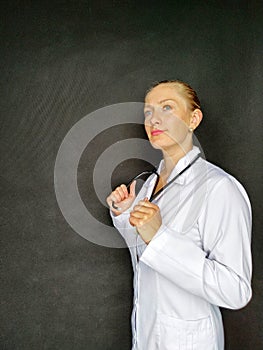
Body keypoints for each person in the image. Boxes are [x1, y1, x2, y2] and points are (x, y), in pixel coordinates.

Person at [106, 80, 252, 350]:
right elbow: (145, 256)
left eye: (167, 108)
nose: (154, 119)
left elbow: (236, 290)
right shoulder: (149, 185)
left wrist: (160, 238)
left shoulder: (219, 188)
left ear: (193, 119)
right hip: (146, 335)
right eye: (148, 111)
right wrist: (125, 215)